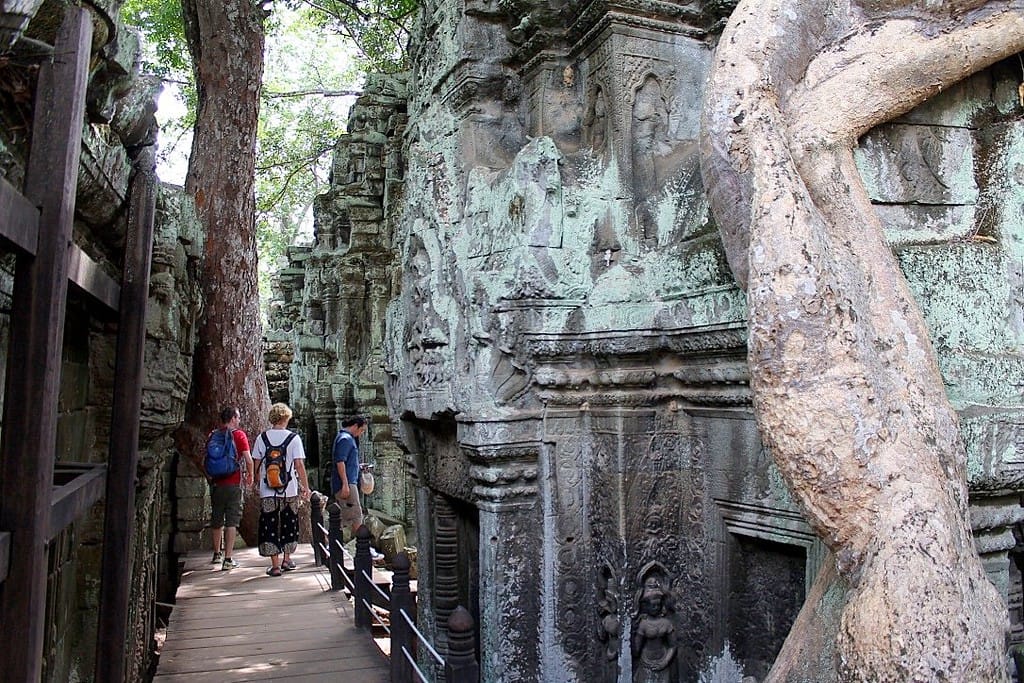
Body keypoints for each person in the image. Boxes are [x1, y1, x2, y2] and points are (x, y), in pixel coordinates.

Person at [253, 402, 311, 577]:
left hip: (268, 489)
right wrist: (305, 487)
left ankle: (275, 565)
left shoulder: (262, 438)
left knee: (269, 524)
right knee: (289, 522)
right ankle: (287, 559)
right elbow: (299, 465)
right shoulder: (294, 438)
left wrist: (257, 481)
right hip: (289, 489)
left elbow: (257, 462)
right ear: (286, 418)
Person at [208, 406, 252, 570]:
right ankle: (228, 559)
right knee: (232, 521)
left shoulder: (214, 435)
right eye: (238, 417)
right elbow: (248, 459)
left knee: (217, 519)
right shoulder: (239, 435)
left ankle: (216, 554)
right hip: (233, 484)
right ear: (233, 418)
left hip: (216, 483)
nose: (239, 420)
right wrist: (251, 475)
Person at [332, 415, 368, 535]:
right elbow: (340, 462)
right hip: (347, 483)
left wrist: (358, 467)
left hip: (350, 481)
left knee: (345, 516)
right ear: (355, 426)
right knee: (356, 515)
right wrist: (345, 484)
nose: (361, 433)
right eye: (361, 430)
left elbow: (347, 461)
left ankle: (334, 541)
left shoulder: (347, 438)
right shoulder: (345, 439)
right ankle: (361, 546)